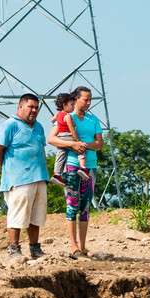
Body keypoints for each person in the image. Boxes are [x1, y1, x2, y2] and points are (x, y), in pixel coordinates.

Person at [0, 93, 49, 259]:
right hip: (18, 178)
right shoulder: (10, 125)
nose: (34, 110)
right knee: (17, 214)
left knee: (36, 215)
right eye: (30, 107)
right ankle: (14, 249)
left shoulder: (38, 127)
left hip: (39, 176)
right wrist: (7, 166)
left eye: (36, 107)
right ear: (20, 107)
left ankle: (35, 248)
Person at [48, 86, 103, 258]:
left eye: (90, 100)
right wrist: (73, 145)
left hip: (90, 165)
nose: (88, 103)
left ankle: (83, 246)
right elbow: (51, 138)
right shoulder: (66, 117)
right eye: (85, 99)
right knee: (72, 204)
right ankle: (74, 247)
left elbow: (99, 143)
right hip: (71, 165)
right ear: (76, 99)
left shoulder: (93, 119)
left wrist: (85, 145)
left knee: (85, 206)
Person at [50, 92, 89, 185]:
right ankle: (83, 168)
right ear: (64, 105)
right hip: (68, 136)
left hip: (61, 136)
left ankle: (57, 174)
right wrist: (78, 141)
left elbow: (52, 120)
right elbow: (72, 130)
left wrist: (57, 120)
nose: (73, 106)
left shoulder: (59, 114)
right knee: (81, 149)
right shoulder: (68, 116)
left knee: (60, 155)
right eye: (71, 104)